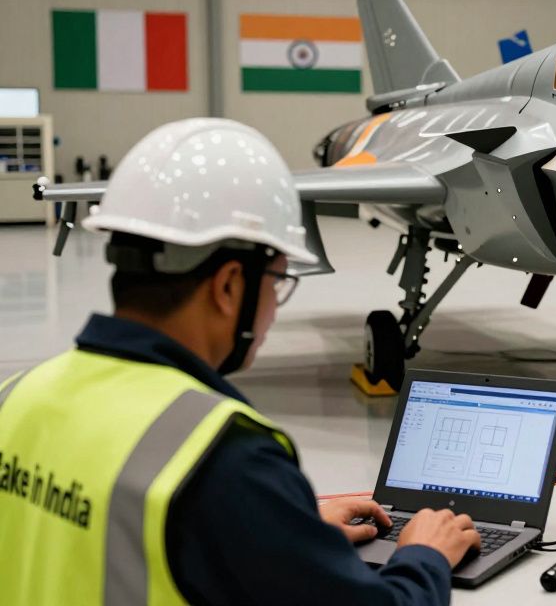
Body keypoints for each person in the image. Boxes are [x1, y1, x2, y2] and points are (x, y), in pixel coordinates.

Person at [0, 119, 479, 604]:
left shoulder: (15, 397)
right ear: (229, 286)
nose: (274, 306)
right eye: (276, 281)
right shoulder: (224, 459)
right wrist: (425, 554)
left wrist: (285, 533)